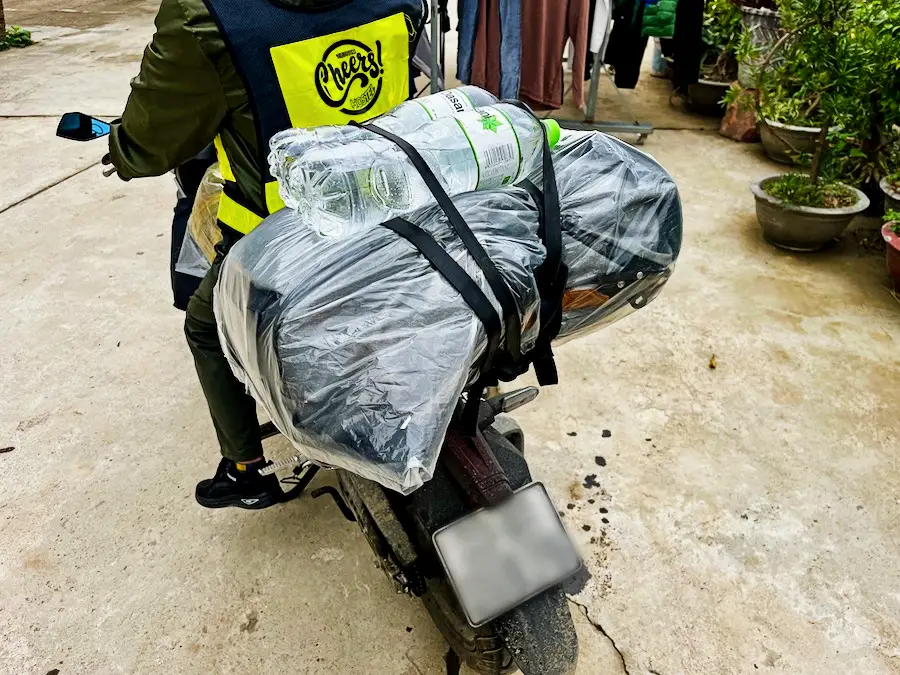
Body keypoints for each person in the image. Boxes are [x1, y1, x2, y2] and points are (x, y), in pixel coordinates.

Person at [106, 0, 425, 509]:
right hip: (398, 210)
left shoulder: (205, 17)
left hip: (286, 241)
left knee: (205, 326)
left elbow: (149, 141)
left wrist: (121, 149)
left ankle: (246, 469)